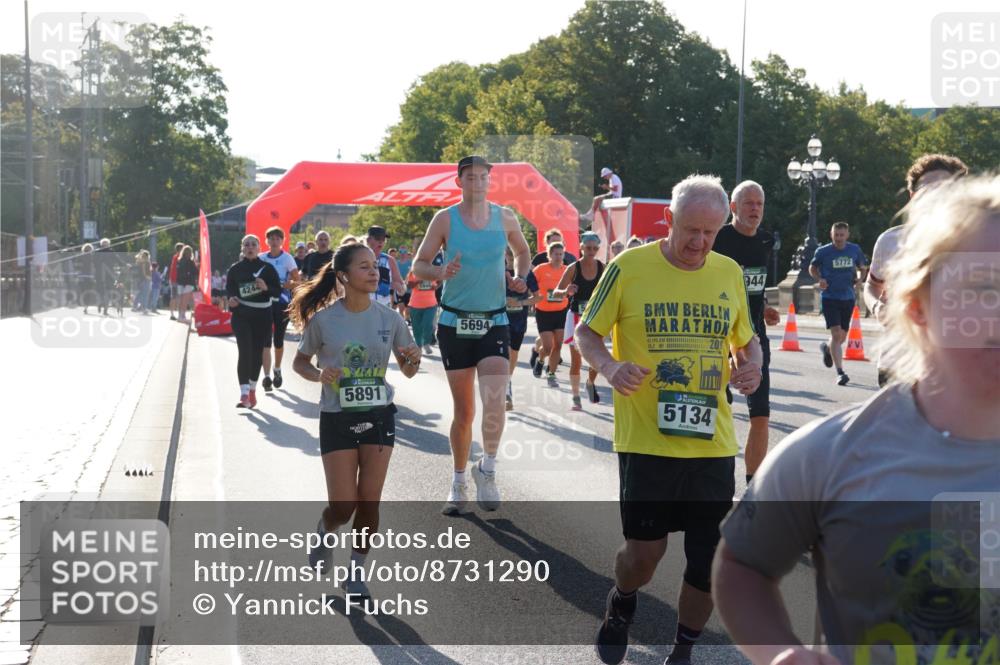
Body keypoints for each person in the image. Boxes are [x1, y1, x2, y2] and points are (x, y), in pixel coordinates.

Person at [713, 172, 1000, 665]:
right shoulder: (834, 453)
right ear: (917, 309)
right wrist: (782, 652)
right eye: (981, 286)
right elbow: (742, 565)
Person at [575, 174, 761, 665]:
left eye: (711, 233)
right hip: (647, 442)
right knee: (643, 557)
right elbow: (587, 332)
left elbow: (746, 339)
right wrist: (611, 367)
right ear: (669, 220)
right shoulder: (628, 267)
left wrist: (753, 364)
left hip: (712, 444)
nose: (699, 243)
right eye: (691, 231)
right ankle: (623, 600)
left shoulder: (727, 273)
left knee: (708, 562)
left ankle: (683, 650)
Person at [291, 242, 421, 602]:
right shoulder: (324, 320)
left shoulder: (390, 318)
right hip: (337, 416)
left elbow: (409, 371)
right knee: (343, 506)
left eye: (374, 265)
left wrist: (412, 359)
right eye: (363, 267)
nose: (373, 271)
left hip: (379, 416)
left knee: (369, 502)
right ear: (344, 276)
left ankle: (356, 575)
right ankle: (324, 530)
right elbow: (300, 363)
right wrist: (319, 375)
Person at [412, 155, 531, 515]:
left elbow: (523, 250)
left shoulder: (504, 217)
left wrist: (520, 276)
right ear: (459, 182)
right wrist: (440, 271)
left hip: (494, 320)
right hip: (454, 322)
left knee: (495, 402)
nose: (478, 182)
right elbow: (419, 266)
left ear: (489, 182)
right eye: (471, 177)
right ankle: (459, 480)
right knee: (464, 412)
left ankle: (489, 470)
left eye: (483, 177)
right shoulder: (444, 218)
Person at [864, 153, 968, 387]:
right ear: (913, 196)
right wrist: (876, 306)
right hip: (897, 362)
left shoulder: (979, 241)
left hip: (956, 368)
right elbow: (872, 284)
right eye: (926, 189)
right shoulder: (890, 240)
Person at [710, 181, 781, 484]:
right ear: (734, 207)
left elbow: (754, 288)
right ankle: (713, 478)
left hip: (753, 336)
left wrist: (764, 307)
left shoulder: (765, 241)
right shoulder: (718, 239)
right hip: (714, 335)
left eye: (760, 204)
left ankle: (753, 486)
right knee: (714, 408)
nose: (755, 209)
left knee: (761, 413)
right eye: (749, 203)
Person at [808, 222, 868, 386]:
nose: (839, 238)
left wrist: (860, 280)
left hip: (847, 297)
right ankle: (840, 372)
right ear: (831, 234)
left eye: (842, 235)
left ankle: (827, 349)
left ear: (847, 235)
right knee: (836, 334)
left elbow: (862, 268)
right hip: (829, 297)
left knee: (841, 337)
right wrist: (819, 279)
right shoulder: (823, 251)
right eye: (836, 235)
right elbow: (812, 268)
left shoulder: (854, 249)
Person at [226, 235, 281, 408]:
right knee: (245, 351)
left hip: (262, 315)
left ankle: (252, 390)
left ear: (259, 248)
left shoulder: (268, 268)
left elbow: (277, 292)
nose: (250, 247)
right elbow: (230, 290)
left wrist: (266, 288)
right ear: (242, 248)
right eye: (246, 244)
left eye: (253, 245)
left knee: (257, 354)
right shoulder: (235, 269)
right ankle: (243, 393)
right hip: (242, 315)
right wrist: (231, 300)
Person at [552, 231, 604, 410]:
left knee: (597, 359)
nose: (591, 251)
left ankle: (590, 382)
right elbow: (556, 293)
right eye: (587, 248)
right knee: (576, 361)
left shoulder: (603, 268)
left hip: (596, 318)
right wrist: (567, 290)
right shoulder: (573, 268)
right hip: (575, 316)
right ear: (581, 248)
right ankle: (575, 398)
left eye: (594, 248)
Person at [259, 226, 301, 393]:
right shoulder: (261, 258)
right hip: (264, 302)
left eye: (278, 238)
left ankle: (277, 369)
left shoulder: (288, 258)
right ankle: (267, 376)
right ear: (267, 241)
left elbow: (297, 282)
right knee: (265, 340)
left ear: (282, 241)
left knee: (278, 340)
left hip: (282, 302)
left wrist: (282, 284)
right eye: (271, 238)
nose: (274, 241)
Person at [528, 242, 570, 388]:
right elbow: (530, 284)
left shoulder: (567, 270)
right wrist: (532, 298)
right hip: (544, 312)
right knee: (547, 347)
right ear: (549, 255)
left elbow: (572, 288)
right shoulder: (541, 269)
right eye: (555, 254)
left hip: (561, 312)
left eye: (561, 254)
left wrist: (570, 292)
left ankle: (551, 372)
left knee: (557, 345)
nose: (558, 257)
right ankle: (540, 360)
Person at [503, 246, 532, 411]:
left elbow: (538, 297)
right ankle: (506, 390)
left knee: (513, 354)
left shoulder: (528, 274)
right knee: (505, 353)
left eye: (513, 255)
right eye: (508, 255)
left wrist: (519, 303)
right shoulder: (497, 272)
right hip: (501, 320)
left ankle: (508, 380)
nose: (510, 258)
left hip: (519, 322)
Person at [366, 226, 405, 307]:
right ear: (368, 240)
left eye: (383, 239)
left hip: (384, 307)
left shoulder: (390, 260)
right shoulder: (358, 258)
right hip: (363, 306)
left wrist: (399, 288)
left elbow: (402, 288)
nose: (381, 242)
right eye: (377, 238)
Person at [406, 268, 438, 355]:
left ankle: (426, 343)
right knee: (417, 327)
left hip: (431, 304)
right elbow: (409, 286)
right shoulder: (413, 272)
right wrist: (418, 282)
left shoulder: (431, 272)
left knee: (427, 324)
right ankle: (419, 346)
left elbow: (435, 285)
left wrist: (434, 286)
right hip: (415, 304)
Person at [175, 245, 198, 323]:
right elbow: (195, 272)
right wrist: (197, 265)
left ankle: (180, 316)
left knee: (181, 300)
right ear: (190, 253)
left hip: (180, 282)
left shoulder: (179, 260)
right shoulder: (190, 262)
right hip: (188, 283)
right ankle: (182, 316)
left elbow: (178, 272)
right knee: (185, 301)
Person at [78, 243, 96, 315]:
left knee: (88, 292)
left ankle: (86, 307)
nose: (87, 250)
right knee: (83, 292)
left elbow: (95, 266)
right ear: (84, 249)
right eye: (86, 248)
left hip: (90, 276)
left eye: (89, 248)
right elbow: (78, 265)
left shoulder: (93, 257)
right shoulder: (80, 256)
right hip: (82, 276)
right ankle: (85, 305)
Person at [167, 242, 184, 320]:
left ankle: (174, 314)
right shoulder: (177, 257)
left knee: (176, 297)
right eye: (183, 249)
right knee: (175, 297)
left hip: (175, 280)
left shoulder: (176, 257)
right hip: (175, 280)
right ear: (180, 249)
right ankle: (174, 314)